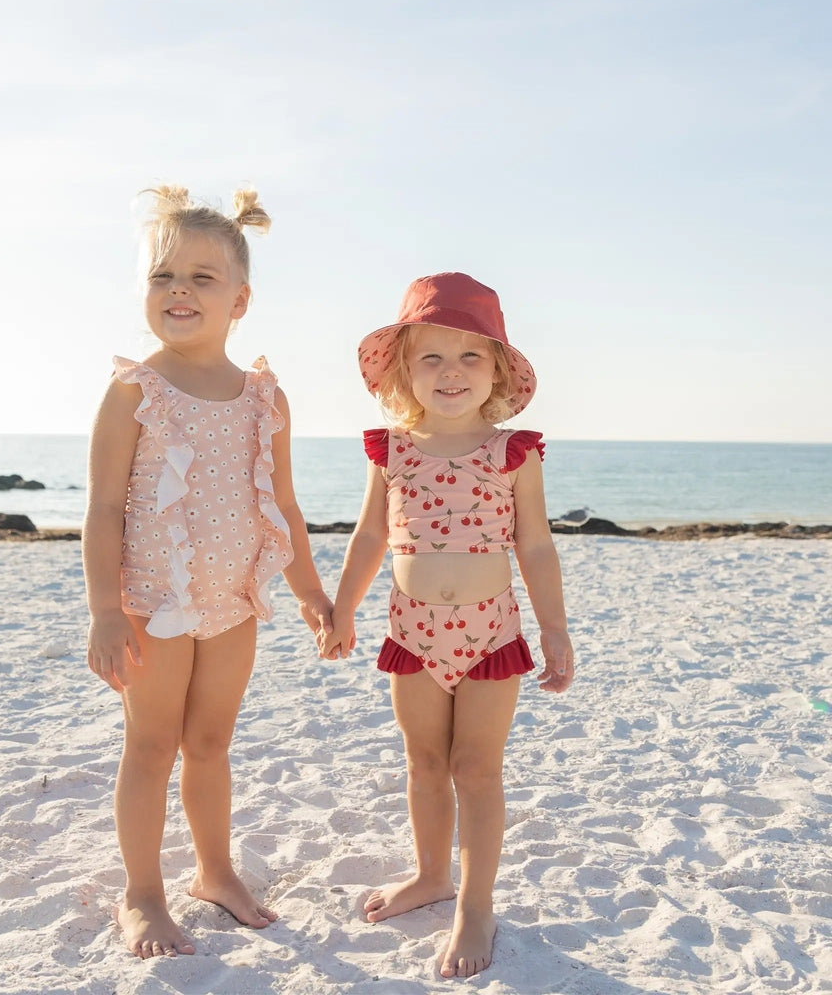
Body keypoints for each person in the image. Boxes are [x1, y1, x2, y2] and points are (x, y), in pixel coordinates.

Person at [83, 184, 333, 959]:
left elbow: (284, 508)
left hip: (232, 599)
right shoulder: (135, 390)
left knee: (212, 743)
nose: (180, 290)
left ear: (241, 299)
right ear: (143, 292)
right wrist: (104, 610)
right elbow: (103, 511)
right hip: (153, 603)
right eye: (163, 276)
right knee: (151, 746)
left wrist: (313, 593)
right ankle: (143, 893)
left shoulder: (265, 397)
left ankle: (215, 872)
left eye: (201, 276)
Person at [319, 272, 574, 979]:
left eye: (470, 356)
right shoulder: (391, 450)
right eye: (431, 356)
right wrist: (343, 610)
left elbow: (536, 544)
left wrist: (554, 630)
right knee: (425, 764)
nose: (451, 371)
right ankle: (432, 874)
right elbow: (369, 538)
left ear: (496, 369)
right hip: (410, 631)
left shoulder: (511, 452)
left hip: (493, 636)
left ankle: (476, 905)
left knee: (476, 769)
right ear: (404, 368)